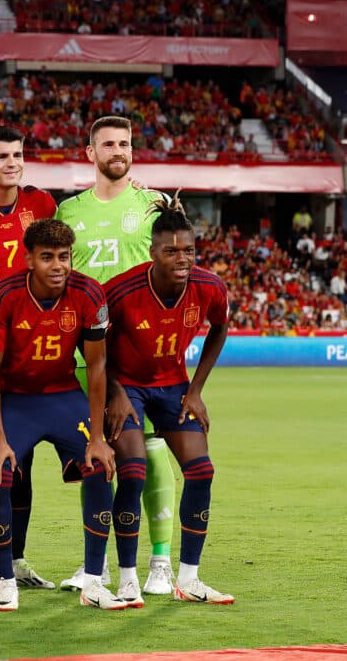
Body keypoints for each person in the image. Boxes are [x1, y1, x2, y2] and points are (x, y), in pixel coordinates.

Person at [54, 115, 178, 595]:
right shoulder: (69, 212)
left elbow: (177, 266)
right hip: (86, 352)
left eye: (124, 143)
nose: (117, 150)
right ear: (91, 153)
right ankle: (96, 568)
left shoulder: (153, 206)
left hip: (141, 349)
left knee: (149, 449)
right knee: (96, 454)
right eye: (108, 143)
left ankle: (161, 562)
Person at [0, 219, 123, 611]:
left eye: (64, 257)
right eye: (47, 258)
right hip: (15, 399)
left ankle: (94, 581)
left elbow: (96, 367)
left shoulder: (88, 293)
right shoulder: (5, 294)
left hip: (62, 396)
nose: (57, 266)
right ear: (29, 259)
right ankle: (5, 579)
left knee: (99, 465)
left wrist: (97, 436)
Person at [103, 195, 233, 606]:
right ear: (153, 252)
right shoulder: (120, 292)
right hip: (126, 386)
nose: (182, 258)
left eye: (189, 250)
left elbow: (219, 329)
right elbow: (93, 351)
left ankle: (189, 580)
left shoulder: (210, 287)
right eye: (172, 251)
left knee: (202, 471)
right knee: (134, 471)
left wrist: (195, 390)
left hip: (173, 385)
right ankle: (127, 579)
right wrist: (116, 395)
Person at [0, 125, 58, 592]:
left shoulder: (41, 205)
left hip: (30, 356)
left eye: (18, 155)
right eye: (2, 156)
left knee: (22, 463)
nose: (12, 163)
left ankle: (15, 561)